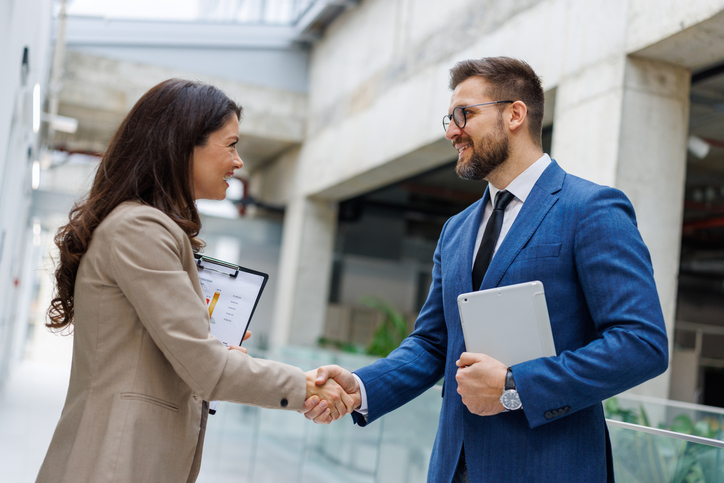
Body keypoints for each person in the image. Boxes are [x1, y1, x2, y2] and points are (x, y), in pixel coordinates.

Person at [303, 57, 669, 482]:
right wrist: (361, 387)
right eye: (449, 117)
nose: (451, 131)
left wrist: (514, 385)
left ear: (514, 114)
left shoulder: (590, 210)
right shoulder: (455, 230)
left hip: (549, 468)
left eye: (464, 115)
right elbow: (434, 344)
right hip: (454, 467)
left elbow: (641, 343)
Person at [37, 78, 354, 483]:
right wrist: (305, 386)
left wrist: (225, 358)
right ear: (184, 144)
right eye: (231, 144)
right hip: (115, 462)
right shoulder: (141, 229)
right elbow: (205, 370)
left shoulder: (140, 225)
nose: (239, 162)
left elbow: (173, 358)